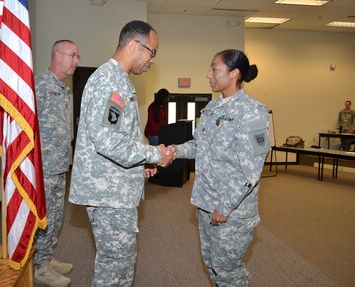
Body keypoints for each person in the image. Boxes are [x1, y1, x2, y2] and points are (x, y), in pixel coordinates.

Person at [68, 20, 175, 287]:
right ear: (133, 45)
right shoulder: (111, 82)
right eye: (152, 52)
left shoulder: (116, 79)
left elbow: (115, 139)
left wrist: (139, 163)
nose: (152, 60)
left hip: (114, 190)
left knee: (118, 263)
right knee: (115, 268)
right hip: (109, 195)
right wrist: (153, 155)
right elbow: (109, 142)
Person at [169, 49, 270, 286]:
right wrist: (171, 150)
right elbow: (197, 146)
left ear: (234, 73)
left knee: (228, 271)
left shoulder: (253, 111)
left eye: (215, 69)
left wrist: (224, 207)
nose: (209, 74)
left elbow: (252, 169)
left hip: (231, 211)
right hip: (206, 202)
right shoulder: (212, 108)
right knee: (213, 265)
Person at [34, 39, 80, 287]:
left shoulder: (63, 89)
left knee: (56, 217)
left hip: (59, 165)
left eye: (77, 56)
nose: (76, 61)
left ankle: (47, 258)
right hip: (43, 167)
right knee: (45, 217)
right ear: (57, 55)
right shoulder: (39, 85)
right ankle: (40, 267)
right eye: (72, 55)